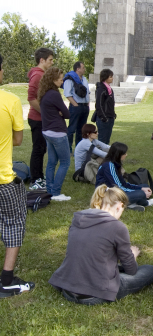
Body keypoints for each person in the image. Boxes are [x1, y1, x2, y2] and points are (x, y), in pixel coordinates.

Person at [48, 185, 153, 305]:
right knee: (148, 270)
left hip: (68, 288)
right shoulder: (117, 227)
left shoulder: (77, 220)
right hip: (96, 293)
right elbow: (131, 270)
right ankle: (152, 270)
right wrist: (132, 255)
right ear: (119, 206)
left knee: (112, 266)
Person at [0, 53, 35, 298]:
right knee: (13, 223)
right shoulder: (10, 100)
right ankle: (6, 280)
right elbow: (19, 139)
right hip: (3, 179)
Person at [38, 67, 71, 201]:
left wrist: (60, 113)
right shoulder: (54, 94)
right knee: (65, 162)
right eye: (60, 79)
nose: (62, 81)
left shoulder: (44, 93)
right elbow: (68, 113)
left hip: (47, 131)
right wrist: (61, 113)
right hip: (57, 133)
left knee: (52, 162)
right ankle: (56, 193)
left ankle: (50, 190)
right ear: (53, 80)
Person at [96, 142, 153, 211]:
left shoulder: (114, 164)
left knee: (145, 186)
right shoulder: (109, 166)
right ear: (118, 155)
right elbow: (117, 188)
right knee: (141, 194)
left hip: (115, 192)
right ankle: (146, 203)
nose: (126, 155)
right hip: (107, 197)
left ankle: (130, 204)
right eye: (124, 153)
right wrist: (140, 191)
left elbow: (123, 184)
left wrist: (141, 188)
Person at [27, 47, 54, 190]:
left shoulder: (42, 74)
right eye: (50, 60)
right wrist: (45, 114)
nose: (52, 63)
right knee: (38, 149)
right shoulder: (37, 75)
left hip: (42, 119)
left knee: (41, 149)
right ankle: (35, 180)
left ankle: (39, 177)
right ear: (41, 60)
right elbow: (31, 98)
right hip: (37, 119)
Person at [63, 61, 90, 153]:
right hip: (76, 107)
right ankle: (68, 149)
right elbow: (67, 93)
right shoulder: (69, 79)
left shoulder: (84, 79)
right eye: (83, 68)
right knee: (72, 129)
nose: (84, 69)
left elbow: (87, 92)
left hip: (85, 107)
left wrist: (87, 104)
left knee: (81, 129)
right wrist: (75, 105)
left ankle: (79, 149)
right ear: (77, 69)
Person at [95, 69, 116, 144]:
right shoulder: (101, 89)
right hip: (103, 118)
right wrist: (103, 117)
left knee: (107, 139)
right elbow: (99, 105)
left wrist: (113, 114)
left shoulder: (109, 89)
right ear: (105, 77)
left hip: (110, 116)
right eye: (110, 77)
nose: (112, 78)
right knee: (102, 140)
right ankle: (99, 155)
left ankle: (105, 155)